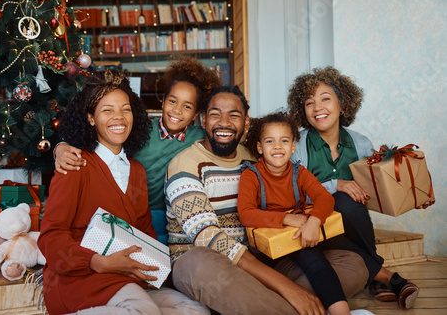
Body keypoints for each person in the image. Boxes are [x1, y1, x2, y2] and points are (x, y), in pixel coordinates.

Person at [165, 86, 369, 315]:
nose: (224, 122)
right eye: (215, 114)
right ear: (203, 120)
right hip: (212, 266)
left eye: (234, 114)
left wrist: (310, 219)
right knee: (198, 263)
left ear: (246, 122)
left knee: (354, 265)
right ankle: (295, 303)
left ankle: (264, 305)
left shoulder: (254, 157)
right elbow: (210, 240)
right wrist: (288, 288)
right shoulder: (185, 165)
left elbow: (301, 190)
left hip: (262, 258)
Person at [37, 70, 210, 315]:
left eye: (125, 109)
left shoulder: (137, 170)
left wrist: (153, 270)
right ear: (91, 118)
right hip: (81, 277)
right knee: (144, 311)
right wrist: (98, 262)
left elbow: (144, 231)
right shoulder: (75, 165)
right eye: (107, 110)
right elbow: (50, 237)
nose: (119, 117)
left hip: (126, 276)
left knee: (193, 310)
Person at [287, 66, 433, 310]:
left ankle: (375, 275)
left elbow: (377, 189)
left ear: (342, 104)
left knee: (348, 203)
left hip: (352, 224)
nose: (317, 107)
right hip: (312, 225)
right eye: (309, 103)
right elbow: (290, 193)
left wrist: (413, 194)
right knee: (341, 199)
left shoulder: (361, 143)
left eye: (325, 99)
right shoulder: (297, 145)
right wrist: (337, 184)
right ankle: (385, 277)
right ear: (303, 111)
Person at [54, 57, 222, 244]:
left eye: (187, 106)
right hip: (133, 210)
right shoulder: (138, 129)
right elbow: (95, 139)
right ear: (163, 101)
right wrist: (60, 148)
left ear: (196, 114)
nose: (177, 111)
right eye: (173, 101)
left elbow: (227, 143)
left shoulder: (199, 137)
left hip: (173, 211)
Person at [238, 111, 363, 315]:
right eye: (270, 141)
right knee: (294, 269)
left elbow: (325, 198)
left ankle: (342, 312)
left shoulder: (299, 173)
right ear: (259, 147)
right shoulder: (251, 175)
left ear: (293, 146)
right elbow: (246, 213)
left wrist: (314, 222)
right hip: (266, 251)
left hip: (298, 239)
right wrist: (287, 218)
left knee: (314, 260)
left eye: (284, 140)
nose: (278, 146)